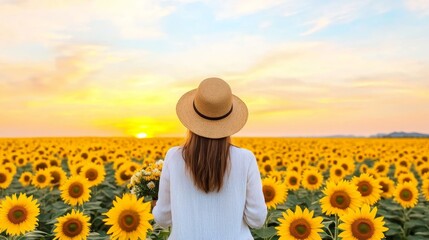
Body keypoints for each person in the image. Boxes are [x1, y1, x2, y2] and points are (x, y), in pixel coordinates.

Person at [153, 77, 267, 240]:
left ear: (192, 119)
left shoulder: (174, 157)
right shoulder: (245, 159)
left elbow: (163, 219)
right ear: (229, 120)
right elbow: (257, 219)